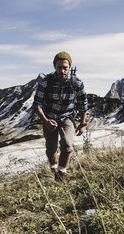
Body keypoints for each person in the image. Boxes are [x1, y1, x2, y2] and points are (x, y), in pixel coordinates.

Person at [33, 51, 88, 182]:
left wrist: (82, 124)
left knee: (67, 145)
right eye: (59, 67)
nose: (62, 71)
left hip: (67, 117)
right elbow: (37, 104)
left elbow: (83, 104)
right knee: (51, 149)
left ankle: (60, 176)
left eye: (65, 68)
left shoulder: (77, 83)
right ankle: (54, 169)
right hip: (49, 117)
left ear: (69, 67)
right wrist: (45, 121)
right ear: (54, 67)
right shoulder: (45, 82)